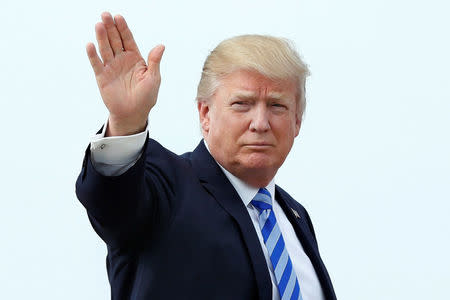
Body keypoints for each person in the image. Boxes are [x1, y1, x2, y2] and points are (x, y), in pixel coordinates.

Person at [76, 12, 337, 300]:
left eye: (277, 106)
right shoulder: (168, 186)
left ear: (297, 121)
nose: (260, 123)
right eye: (242, 104)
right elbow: (113, 202)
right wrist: (125, 123)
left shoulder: (294, 215)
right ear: (205, 114)